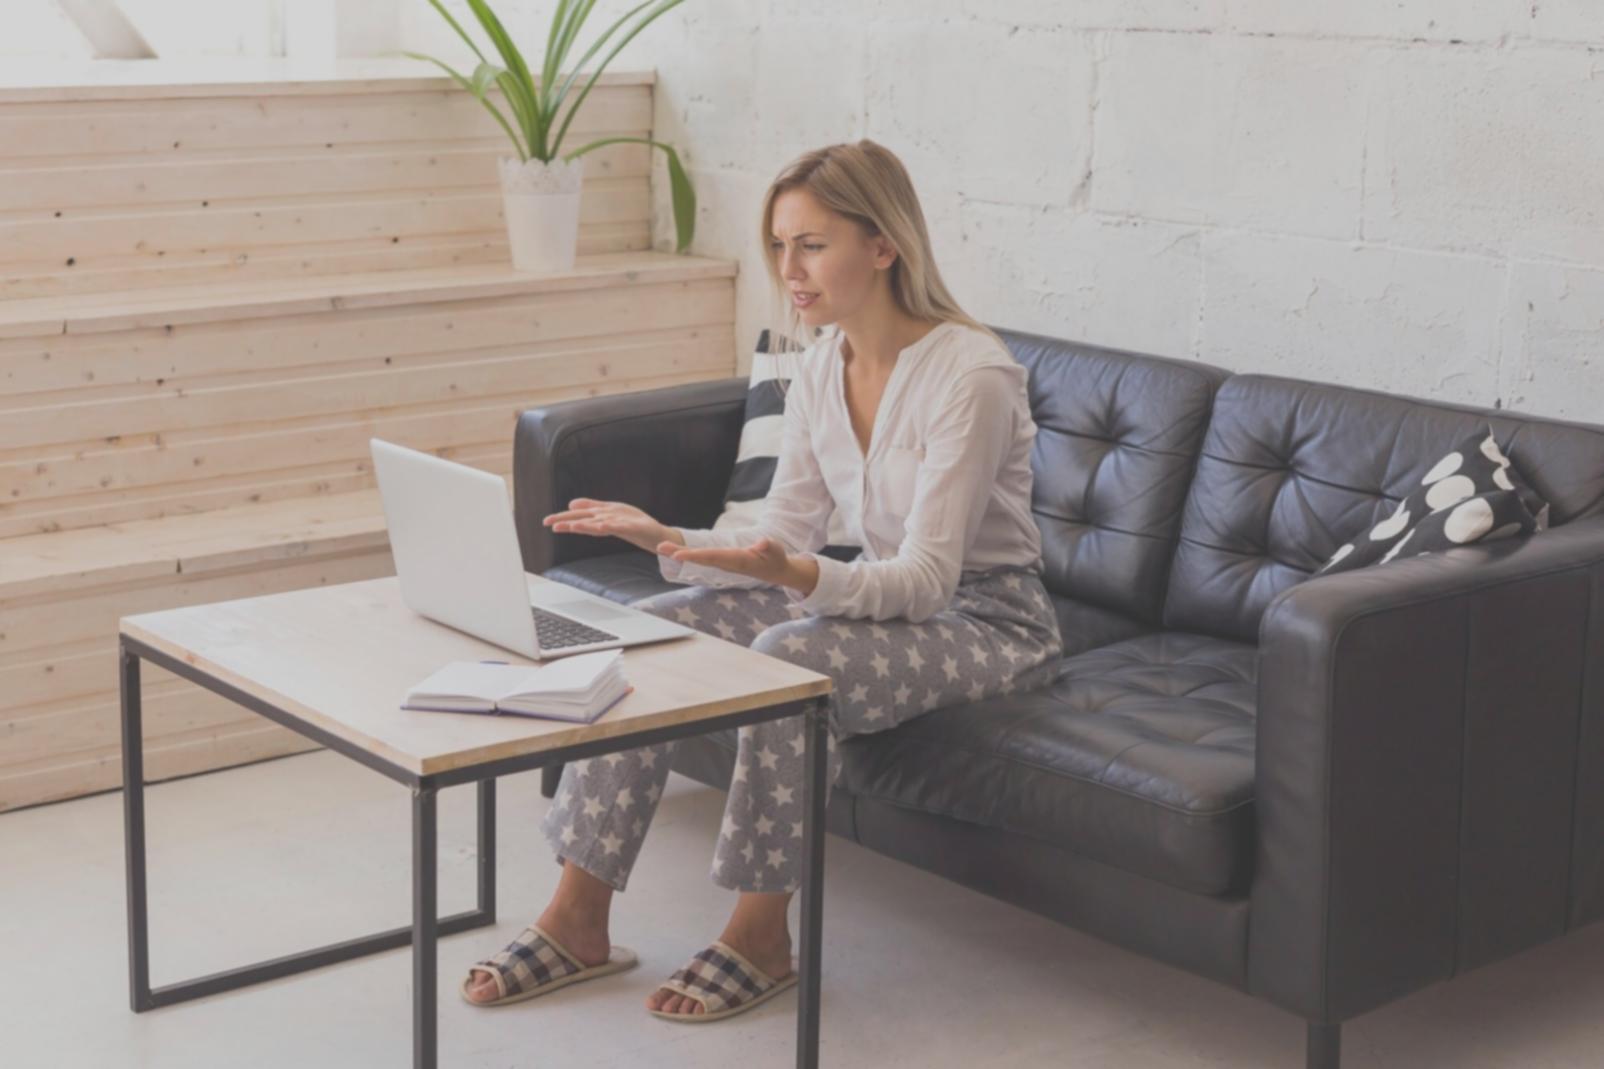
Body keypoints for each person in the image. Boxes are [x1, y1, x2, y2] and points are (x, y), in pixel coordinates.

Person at [461, 139, 1064, 1021]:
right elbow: (784, 531)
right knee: (662, 636)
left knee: (786, 661)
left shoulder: (970, 375)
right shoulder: (821, 365)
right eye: (780, 246)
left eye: (812, 245)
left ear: (884, 246)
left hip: (989, 618)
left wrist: (803, 577)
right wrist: (671, 539)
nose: (790, 269)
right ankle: (576, 915)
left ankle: (759, 934)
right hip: (877, 589)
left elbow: (931, 580)